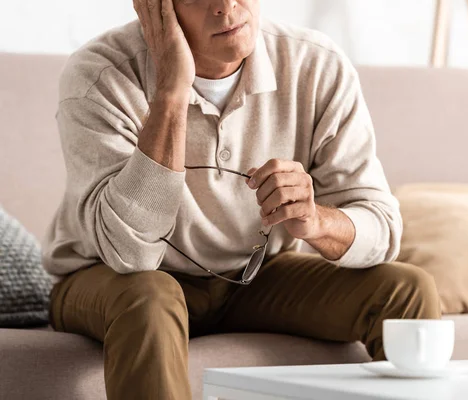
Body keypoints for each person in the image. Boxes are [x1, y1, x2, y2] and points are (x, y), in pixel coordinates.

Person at [42, 0, 442, 398]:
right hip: (117, 282)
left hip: (253, 278)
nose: (226, 6)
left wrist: (315, 221)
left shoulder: (316, 65)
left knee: (406, 289)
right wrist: (171, 92)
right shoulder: (98, 75)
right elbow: (130, 254)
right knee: (148, 297)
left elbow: (382, 229)